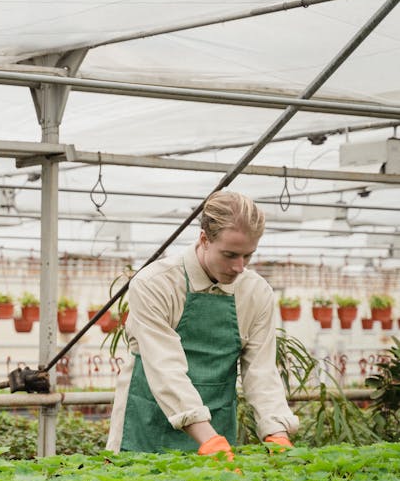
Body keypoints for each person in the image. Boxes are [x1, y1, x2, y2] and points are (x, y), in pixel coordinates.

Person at [107, 191, 298, 457]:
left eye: (248, 256)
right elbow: (165, 369)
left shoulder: (256, 293)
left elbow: (261, 372)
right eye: (230, 255)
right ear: (204, 239)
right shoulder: (156, 283)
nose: (239, 267)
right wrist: (208, 441)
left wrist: (276, 432)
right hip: (147, 427)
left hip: (215, 428)